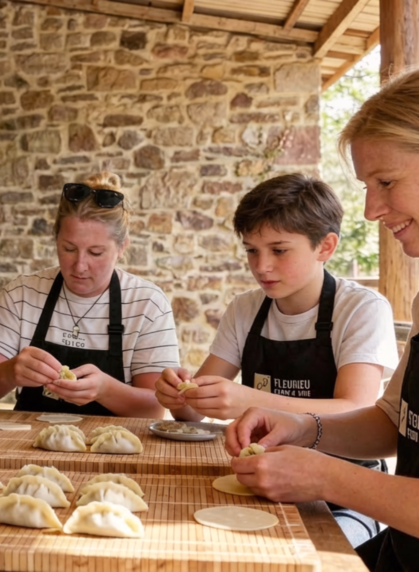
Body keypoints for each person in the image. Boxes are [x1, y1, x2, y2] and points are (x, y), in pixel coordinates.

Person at [225, 64, 419, 570]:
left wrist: (326, 476)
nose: (372, 210)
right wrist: (298, 426)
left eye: (386, 181)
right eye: (366, 187)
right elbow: (394, 421)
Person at [154, 173, 399, 546]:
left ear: (325, 246)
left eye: (279, 250)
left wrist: (248, 399)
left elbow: (357, 408)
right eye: (251, 250)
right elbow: (190, 415)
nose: (261, 266)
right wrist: (178, 395)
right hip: (259, 480)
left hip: (344, 493)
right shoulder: (245, 309)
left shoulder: (362, 308)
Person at [0, 172, 179, 418]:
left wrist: (105, 390)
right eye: (69, 248)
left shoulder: (147, 304)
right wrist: (9, 373)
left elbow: (156, 408)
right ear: (55, 239)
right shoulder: (22, 294)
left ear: (122, 247)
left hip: (115, 450)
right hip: (27, 445)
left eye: (96, 252)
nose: (80, 266)